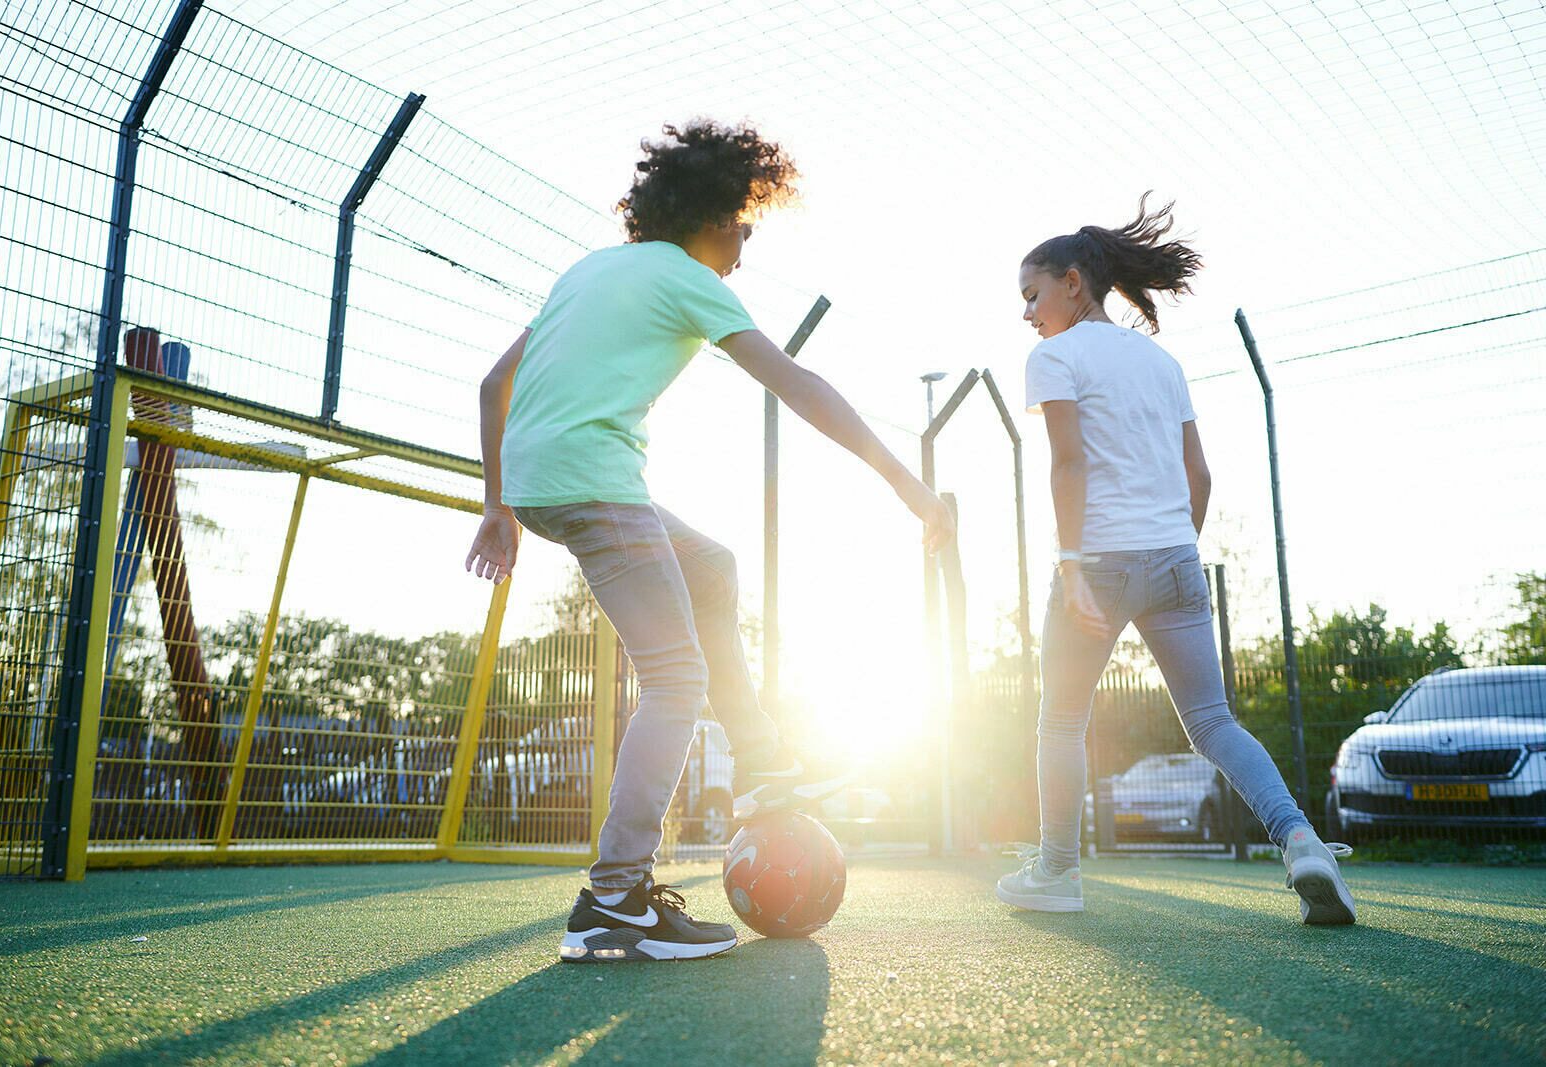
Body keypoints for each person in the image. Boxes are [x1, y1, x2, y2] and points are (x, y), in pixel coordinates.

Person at [465, 120, 955, 962]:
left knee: (712, 567)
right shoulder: (689, 277)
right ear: (711, 218)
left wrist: (498, 505)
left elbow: (493, 382)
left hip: (539, 483)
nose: (745, 240)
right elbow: (797, 384)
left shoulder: (588, 270)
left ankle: (763, 762)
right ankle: (615, 895)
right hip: (593, 481)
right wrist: (906, 483)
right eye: (743, 221)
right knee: (676, 676)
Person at [995, 196, 1355, 925]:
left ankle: (1057, 873)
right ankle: (1301, 839)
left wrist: (1072, 568)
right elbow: (1201, 478)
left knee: (1061, 721)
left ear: (1072, 282)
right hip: (1175, 559)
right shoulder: (1160, 360)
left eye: (1032, 296)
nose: (1028, 314)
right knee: (1214, 722)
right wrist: (1176, 558)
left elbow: (1069, 466)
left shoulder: (1054, 356)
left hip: (1097, 561)